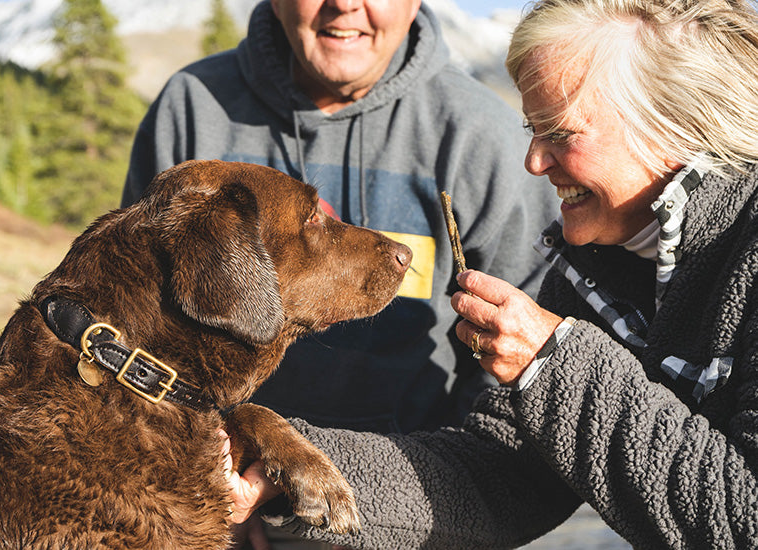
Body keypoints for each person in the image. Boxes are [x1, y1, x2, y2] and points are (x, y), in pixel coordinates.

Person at [225, 0, 758, 547]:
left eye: (561, 132)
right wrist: (286, 468)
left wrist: (552, 364)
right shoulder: (593, 268)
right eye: (533, 128)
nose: (533, 162)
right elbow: (499, 478)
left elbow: (742, 517)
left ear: (677, 122)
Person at [123, 0, 556, 547]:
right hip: (220, 513)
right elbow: (136, 337)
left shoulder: (480, 135)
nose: (345, 4)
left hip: (416, 514)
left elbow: (524, 374)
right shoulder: (191, 110)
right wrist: (207, 488)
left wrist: (436, 511)